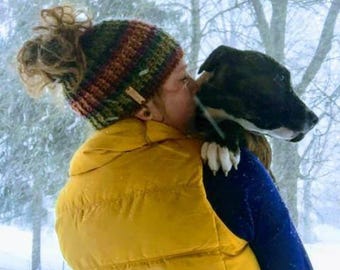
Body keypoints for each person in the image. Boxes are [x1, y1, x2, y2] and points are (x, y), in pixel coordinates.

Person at [17, 5, 313, 270]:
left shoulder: (68, 210)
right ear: (144, 108)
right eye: (183, 80)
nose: (198, 85)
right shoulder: (227, 175)